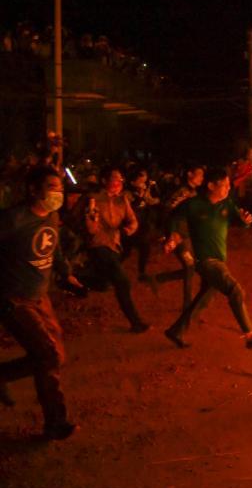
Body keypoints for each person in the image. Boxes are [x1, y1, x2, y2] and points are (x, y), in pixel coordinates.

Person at [0, 166, 80, 439]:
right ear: (34, 190)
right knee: (48, 356)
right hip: (14, 299)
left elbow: (54, 246)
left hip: (40, 296)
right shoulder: (13, 220)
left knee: (55, 356)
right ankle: (55, 422)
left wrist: (66, 274)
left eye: (60, 187)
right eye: (51, 187)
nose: (57, 192)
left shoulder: (52, 216)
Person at [162, 167, 252, 349]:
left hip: (219, 259)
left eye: (229, 184)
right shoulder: (193, 204)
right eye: (224, 185)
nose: (228, 188)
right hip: (205, 261)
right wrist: (172, 237)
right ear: (211, 186)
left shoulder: (226, 204)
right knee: (235, 290)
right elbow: (174, 217)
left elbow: (241, 222)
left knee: (204, 298)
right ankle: (250, 335)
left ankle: (176, 331)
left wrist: (246, 220)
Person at [72, 166, 149, 332]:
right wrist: (90, 218)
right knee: (122, 281)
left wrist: (125, 230)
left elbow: (132, 221)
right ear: (104, 181)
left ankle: (76, 278)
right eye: (115, 179)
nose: (119, 183)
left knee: (105, 282)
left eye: (120, 179)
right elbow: (79, 223)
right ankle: (135, 322)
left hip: (114, 244)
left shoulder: (122, 200)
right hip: (97, 244)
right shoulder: (91, 199)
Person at [155, 164, 208, 312]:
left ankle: (159, 279)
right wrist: (169, 233)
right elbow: (167, 209)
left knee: (192, 267)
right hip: (178, 235)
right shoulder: (183, 192)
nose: (202, 179)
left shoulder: (192, 192)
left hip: (186, 234)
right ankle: (187, 304)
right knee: (190, 266)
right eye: (200, 175)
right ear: (190, 174)